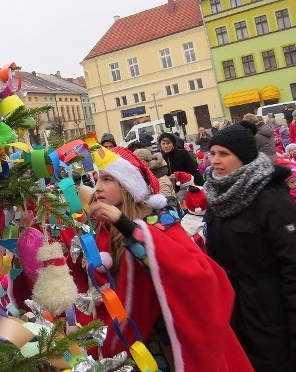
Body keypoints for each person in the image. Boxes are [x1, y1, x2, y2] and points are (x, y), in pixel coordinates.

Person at [85, 146, 253, 371]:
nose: (98, 188)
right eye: (97, 179)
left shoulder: (161, 222)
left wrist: (125, 224)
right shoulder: (106, 230)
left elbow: (191, 272)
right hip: (137, 340)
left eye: (107, 179)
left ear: (127, 185)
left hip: (169, 339)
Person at [204, 121, 296, 371]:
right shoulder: (217, 200)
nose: (215, 160)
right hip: (233, 316)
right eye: (212, 153)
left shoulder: (273, 201)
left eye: (224, 154)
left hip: (272, 318)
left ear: (244, 157)